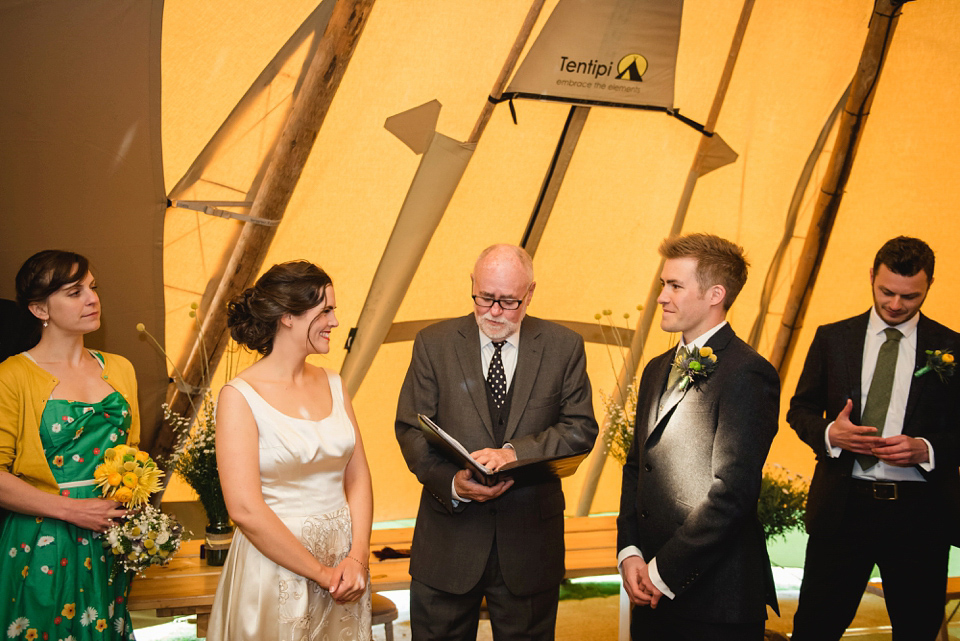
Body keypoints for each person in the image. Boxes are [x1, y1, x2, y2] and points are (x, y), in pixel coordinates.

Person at [395, 243, 598, 641]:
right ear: (472, 284)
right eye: (485, 297)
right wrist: (453, 484)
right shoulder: (433, 344)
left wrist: (514, 453)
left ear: (531, 292)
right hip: (447, 545)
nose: (493, 312)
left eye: (509, 302)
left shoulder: (564, 346)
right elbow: (410, 429)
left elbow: (579, 428)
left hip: (529, 546)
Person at [788, 236, 960, 641]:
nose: (896, 304)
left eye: (910, 296)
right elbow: (800, 410)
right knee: (815, 628)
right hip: (844, 509)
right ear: (871, 276)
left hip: (921, 515)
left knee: (917, 630)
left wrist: (927, 448)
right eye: (886, 292)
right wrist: (833, 433)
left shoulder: (952, 347)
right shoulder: (833, 338)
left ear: (929, 286)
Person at [617, 233, 780, 641]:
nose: (661, 297)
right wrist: (631, 552)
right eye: (662, 285)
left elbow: (732, 493)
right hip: (651, 590)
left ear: (715, 295)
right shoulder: (657, 368)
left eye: (675, 285)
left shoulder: (748, 373)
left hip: (715, 598)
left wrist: (662, 571)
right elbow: (638, 465)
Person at [206, 260, 372, 640]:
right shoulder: (239, 397)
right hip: (277, 570)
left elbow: (358, 475)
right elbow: (244, 508)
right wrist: (321, 574)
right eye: (325, 310)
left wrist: (357, 557)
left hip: (346, 569)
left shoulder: (334, 382)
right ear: (287, 318)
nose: (334, 321)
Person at [0, 250, 140, 640]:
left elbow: (133, 460)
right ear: (39, 308)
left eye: (92, 288)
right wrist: (73, 510)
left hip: (107, 544)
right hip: (41, 543)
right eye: (74, 292)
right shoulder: (12, 376)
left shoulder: (121, 368)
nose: (92, 299)